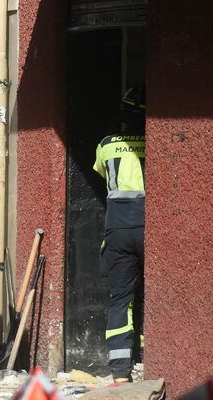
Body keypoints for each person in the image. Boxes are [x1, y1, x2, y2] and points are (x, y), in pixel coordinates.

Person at [93, 87, 146, 384]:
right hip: (150, 226)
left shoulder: (106, 145)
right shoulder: (154, 141)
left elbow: (102, 174)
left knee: (121, 298)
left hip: (118, 228)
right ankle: (149, 360)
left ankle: (120, 371)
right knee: (151, 293)